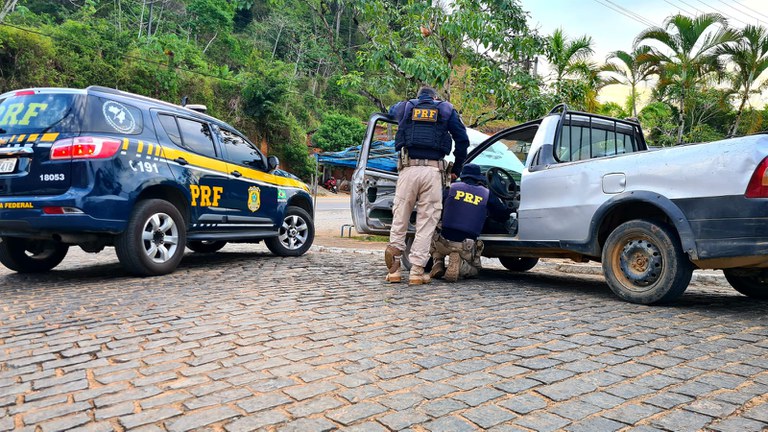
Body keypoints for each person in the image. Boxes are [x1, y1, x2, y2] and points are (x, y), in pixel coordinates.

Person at [384, 86, 470, 285]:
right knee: (426, 221)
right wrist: (457, 167)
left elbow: (390, 111)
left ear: (418, 97)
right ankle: (416, 272)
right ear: (435, 98)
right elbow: (462, 140)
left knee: (400, 216)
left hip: (408, 169)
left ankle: (394, 269)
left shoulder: (406, 107)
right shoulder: (446, 110)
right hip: (433, 172)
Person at [430, 163, 511, 282]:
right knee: (475, 271)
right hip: (466, 246)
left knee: (434, 230)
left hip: (443, 243)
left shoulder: (450, 188)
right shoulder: (486, 194)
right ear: (479, 178)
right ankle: (461, 265)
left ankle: (438, 262)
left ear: (462, 176)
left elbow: (435, 207)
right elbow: (502, 215)